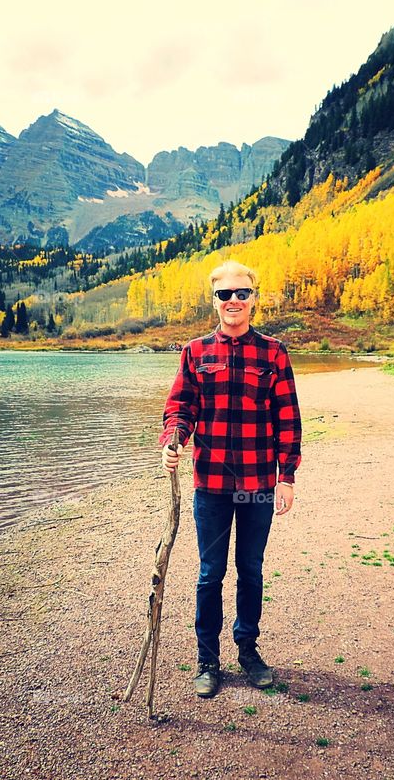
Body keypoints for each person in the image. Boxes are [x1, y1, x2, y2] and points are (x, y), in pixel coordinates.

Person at [159, 260, 302, 698]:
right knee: (209, 573)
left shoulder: (274, 352)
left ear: (254, 299)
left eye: (242, 293)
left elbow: (287, 418)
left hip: (259, 484)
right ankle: (207, 660)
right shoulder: (195, 352)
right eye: (225, 294)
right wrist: (174, 438)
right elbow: (181, 406)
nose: (233, 301)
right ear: (214, 300)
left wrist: (287, 476)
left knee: (251, 570)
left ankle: (247, 649)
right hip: (212, 488)